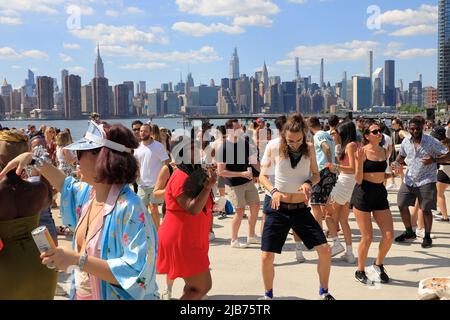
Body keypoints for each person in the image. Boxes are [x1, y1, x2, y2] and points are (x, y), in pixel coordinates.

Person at [0, 121, 159, 300]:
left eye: (80, 153)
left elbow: (136, 272)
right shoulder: (90, 194)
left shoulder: (131, 208)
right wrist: (32, 158)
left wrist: (77, 260)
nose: (75, 159)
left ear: (102, 158)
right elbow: (65, 184)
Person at [259, 113, 335, 300]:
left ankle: (324, 292)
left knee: (324, 250)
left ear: (305, 134)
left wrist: (309, 182)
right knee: (267, 256)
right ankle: (268, 295)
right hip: (277, 207)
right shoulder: (274, 146)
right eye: (290, 141)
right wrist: (274, 190)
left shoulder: (309, 148)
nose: (295, 144)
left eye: (298, 140)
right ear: (284, 135)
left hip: (300, 208)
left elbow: (316, 174)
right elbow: (262, 176)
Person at [0, 130, 57, 299]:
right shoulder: (39, 190)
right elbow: (50, 193)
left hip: (6, 270)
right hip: (41, 265)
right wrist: (33, 159)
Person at [156, 137, 215, 300]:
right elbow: (192, 208)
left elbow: (203, 205)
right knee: (202, 286)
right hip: (181, 239)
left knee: (192, 287)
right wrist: (208, 187)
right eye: (191, 148)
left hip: (192, 238)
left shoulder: (195, 173)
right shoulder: (179, 176)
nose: (197, 150)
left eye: (197, 147)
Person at [394, 116, 450, 248]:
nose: (415, 131)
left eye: (418, 128)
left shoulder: (431, 141)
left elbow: (448, 155)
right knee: (401, 204)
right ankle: (409, 232)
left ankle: (427, 236)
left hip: (427, 180)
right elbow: (401, 156)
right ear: (409, 128)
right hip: (409, 179)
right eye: (412, 129)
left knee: (426, 210)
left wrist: (434, 160)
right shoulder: (406, 141)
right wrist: (395, 165)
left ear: (423, 128)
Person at [351, 121, 394, 285]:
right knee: (367, 237)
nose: (379, 133)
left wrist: (392, 175)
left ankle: (378, 265)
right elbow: (358, 179)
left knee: (389, 236)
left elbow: (381, 175)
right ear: (367, 136)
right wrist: (360, 162)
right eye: (375, 131)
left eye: (380, 131)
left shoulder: (384, 151)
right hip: (363, 193)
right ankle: (360, 270)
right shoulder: (361, 152)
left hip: (379, 193)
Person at [217, 119, 261, 248]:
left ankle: (251, 235)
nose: (240, 129)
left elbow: (253, 161)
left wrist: (263, 172)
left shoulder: (245, 143)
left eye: (240, 127)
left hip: (247, 181)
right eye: (237, 128)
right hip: (233, 183)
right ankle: (234, 240)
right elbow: (221, 171)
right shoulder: (223, 147)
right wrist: (241, 174)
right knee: (240, 210)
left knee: (256, 206)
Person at [325, 121, 358, 264]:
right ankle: (349, 253)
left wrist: (336, 167)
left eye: (339, 131)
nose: (336, 133)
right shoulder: (351, 145)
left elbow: (353, 168)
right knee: (344, 220)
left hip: (344, 183)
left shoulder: (351, 145)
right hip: (348, 184)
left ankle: (336, 244)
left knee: (327, 214)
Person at [307, 117, 340, 256]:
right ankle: (335, 242)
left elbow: (325, 147)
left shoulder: (319, 135)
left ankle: (319, 239)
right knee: (325, 208)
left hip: (322, 172)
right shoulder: (328, 133)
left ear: (309, 126)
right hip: (329, 173)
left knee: (315, 206)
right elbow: (332, 150)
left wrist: (327, 164)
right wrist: (334, 165)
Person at [134, 123, 170, 230]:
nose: (142, 133)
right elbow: (136, 164)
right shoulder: (137, 147)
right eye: (141, 131)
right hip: (142, 184)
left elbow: (165, 163)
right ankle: (144, 231)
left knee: (153, 208)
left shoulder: (157, 146)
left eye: (145, 131)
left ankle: (158, 232)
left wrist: (163, 181)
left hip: (155, 184)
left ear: (150, 132)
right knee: (141, 209)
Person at [431, 126, 450, 222]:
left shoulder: (441, 144)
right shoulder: (448, 142)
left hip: (444, 170)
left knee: (439, 194)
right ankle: (443, 212)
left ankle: (445, 217)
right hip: (447, 169)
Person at [387, 118, 409, 190]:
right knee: (392, 168)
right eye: (392, 124)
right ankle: (393, 183)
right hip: (394, 152)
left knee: (398, 170)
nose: (392, 125)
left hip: (398, 153)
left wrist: (404, 145)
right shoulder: (393, 132)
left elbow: (408, 137)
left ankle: (402, 184)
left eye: (393, 124)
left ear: (398, 125)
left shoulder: (401, 131)